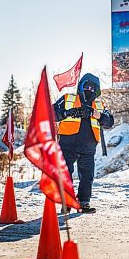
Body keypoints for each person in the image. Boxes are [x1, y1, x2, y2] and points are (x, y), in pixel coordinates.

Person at [53, 73, 114, 213]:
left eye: (93, 88)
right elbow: (52, 112)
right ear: (81, 85)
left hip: (88, 146)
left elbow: (109, 122)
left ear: (97, 90)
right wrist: (67, 113)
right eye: (86, 86)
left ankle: (83, 203)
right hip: (67, 143)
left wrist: (95, 113)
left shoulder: (98, 104)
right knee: (66, 173)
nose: (89, 89)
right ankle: (66, 202)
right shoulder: (68, 98)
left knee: (87, 175)